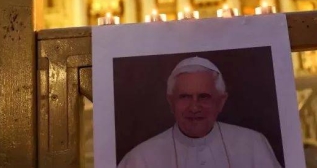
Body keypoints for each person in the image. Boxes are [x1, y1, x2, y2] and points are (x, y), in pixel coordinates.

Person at [118, 57, 282, 168]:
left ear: (221, 101)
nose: (194, 107)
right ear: (171, 102)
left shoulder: (253, 145)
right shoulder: (141, 159)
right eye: (185, 97)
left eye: (204, 97)